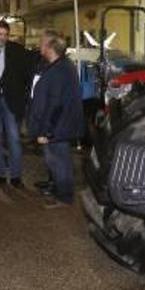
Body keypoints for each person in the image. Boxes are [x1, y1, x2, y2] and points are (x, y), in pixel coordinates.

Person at [28, 31, 83, 207]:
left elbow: (56, 104)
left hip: (57, 127)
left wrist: (47, 131)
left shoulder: (60, 69)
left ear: (50, 47)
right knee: (57, 161)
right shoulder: (58, 66)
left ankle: (64, 197)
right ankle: (58, 190)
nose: (39, 45)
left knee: (60, 162)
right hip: (58, 126)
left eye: (42, 43)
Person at [0, 20, 33, 188]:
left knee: (14, 140)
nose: (2, 38)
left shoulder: (17, 50)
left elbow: (27, 74)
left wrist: (23, 97)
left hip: (12, 102)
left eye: (5, 35)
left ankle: (16, 177)